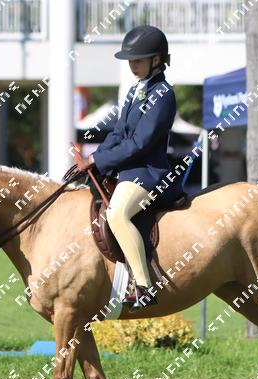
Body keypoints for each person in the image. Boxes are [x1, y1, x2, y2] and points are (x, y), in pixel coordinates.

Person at [75, 25, 179, 311]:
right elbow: (119, 133)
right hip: (129, 171)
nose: (133, 66)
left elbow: (140, 143)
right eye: (131, 61)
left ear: (156, 59)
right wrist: (94, 158)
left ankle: (144, 286)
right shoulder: (136, 90)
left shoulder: (163, 94)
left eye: (138, 60)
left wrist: (97, 161)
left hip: (149, 173)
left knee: (117, 214)